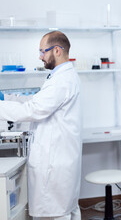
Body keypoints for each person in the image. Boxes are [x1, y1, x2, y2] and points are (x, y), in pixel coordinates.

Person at [0, 31, 82, 219]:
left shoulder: (62, 80)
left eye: (42, 51)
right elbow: (37, 100)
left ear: (57, 50)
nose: (40, 56)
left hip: (54, 162)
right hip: (61, 158)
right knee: (66, 210)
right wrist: (7, 98)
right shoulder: (61, 76)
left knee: (56, 213)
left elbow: (33, 110)